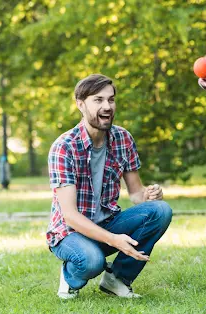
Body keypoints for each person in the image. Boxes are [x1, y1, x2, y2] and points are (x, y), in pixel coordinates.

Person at [46, 74, 172, 299]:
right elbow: (70, 216)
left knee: (161, 210)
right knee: (92, 261)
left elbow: (135, 194)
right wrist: (114, 240)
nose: (107, 107)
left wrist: (149, 195)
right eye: (98, 100)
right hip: (70, 233)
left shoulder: (123, 138)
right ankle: (69, 276)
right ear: (80, 104)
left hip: (108, 223)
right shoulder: (64, 147)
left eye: (111, 100)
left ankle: (118, 279)